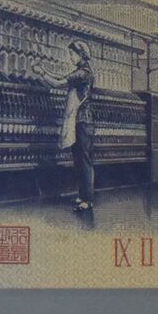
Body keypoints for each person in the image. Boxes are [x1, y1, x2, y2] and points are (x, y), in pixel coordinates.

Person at [61, 40, 95, 213]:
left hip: (83, 122)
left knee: (84, 161)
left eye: (72, 54)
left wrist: (41, 72)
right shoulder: (80, 72)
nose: (70, 57)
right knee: (79, 160)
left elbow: (58, 82)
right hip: (79, 122)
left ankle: (87, 200)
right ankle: (83, 195)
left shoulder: (83, 73)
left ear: (81, 54)